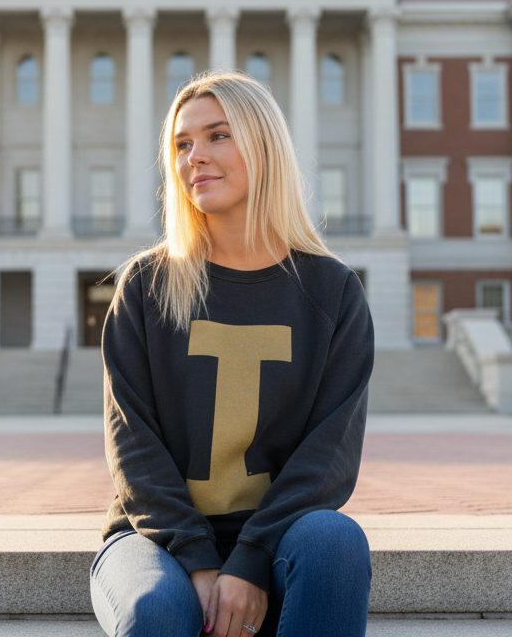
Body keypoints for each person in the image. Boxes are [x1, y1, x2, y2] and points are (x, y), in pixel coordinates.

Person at [90, 71, 374, 637]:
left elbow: (328, 457)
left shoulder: (332, 291)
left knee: (335, 541)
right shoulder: (146, 286)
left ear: (264, 144)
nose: (196, 156)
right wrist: (197, 558)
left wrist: (249, 559)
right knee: (160, 611)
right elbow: (133, 449)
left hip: (278, 535)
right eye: (182, 143)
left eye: (219, 135)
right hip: (153, 536)